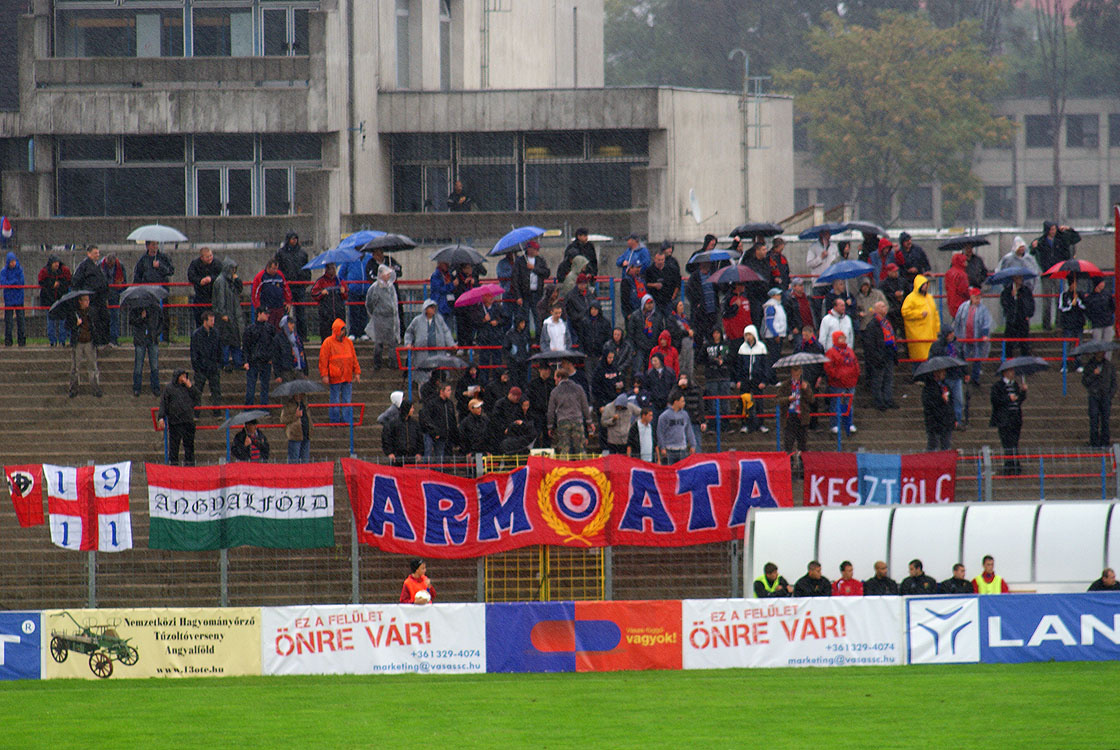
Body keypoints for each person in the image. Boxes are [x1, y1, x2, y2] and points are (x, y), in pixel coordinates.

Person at [1031, 222, 1081, 329]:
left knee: (1059, 299)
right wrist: (1034, 246)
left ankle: (1059, 323)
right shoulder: (1042, 241)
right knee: (1047, 300)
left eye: (1054, 229)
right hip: (1047, 274)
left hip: (1059, 273)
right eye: (1051, 230)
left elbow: (1076, 238)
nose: (1053, 232)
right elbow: (1033, 251)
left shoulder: (1061, 239)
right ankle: (1046, 325)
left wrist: (1069, 229)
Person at [319, 318, 361, 424]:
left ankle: (346, 420)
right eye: (342, 330)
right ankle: (335, 421)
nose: (343, 332)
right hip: (335, 376)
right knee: (335, 400)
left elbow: (353, 358)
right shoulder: (328, 343)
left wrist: (357, 372)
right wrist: (324, 375)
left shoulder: (348, 342)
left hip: (347, 376)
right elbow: (323, 360)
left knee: (347, 400)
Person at [403, 299, 455, 378]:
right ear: (425, 309)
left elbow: (446, 332)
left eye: (434, 307)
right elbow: (409, 332)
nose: (433, 309)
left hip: (438, 352)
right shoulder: (417, 320)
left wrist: (451, 344)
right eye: (431, 307)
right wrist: (408, 343)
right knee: (423, 374)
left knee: (439, 373)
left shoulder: (439, 319)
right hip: (422, 353)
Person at [157, 370, 200, 465]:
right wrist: (161, 417)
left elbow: (197, 397)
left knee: (189, 447)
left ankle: (189, 467)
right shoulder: (169, 388)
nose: (184, 377)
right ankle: (174, 467)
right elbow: (163, 404)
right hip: (175, 422)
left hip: (188, 421)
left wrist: (191, 387)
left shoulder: (188, 387)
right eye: (182, 375)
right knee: (174, 448)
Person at [548, 364, 593, 455]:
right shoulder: (578, 388)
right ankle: (583, 467)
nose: (554, 381)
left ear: (559, 378)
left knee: (564, 449)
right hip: (577, 420)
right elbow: (585, 406)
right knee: (580, 449)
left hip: (563, 422)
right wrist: (589, 422)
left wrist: (550, 426)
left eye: (555, 378)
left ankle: (564, 468)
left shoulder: (555, 391)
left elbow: (551, 411)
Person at [134, 241, 174, 341]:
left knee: (163, 313)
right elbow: (138, 275)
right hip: (148, 291)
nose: (155, 247)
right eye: (153, 245)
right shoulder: (143, 259)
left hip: (161, 290)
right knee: (149, 314)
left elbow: (171, 271)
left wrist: (160, 266)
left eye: (156, 244)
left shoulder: (163, 257)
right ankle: (151, 335)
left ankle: (165, 337)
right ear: (147, 246)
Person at [862, 300, 899, 411]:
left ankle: (888, 399)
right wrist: (876, 357)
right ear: (876, 310)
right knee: (878, 380)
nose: (885, 308)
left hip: (889, 353)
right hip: (879, 355)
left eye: (885, 306)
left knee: (889, 378)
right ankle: (878, 401)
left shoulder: (886, 322)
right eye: (882, 306)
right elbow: (870, 344)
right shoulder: (873, 325)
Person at [990, 366, 1027, 475]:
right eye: (1011, 371)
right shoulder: (998, 386)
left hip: (1015, 418)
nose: (1013, 373)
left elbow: (1018, 401)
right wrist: (1008, 399)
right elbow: (995, 400)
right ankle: (1009, 465)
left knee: (1014, 443)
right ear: (1005, 372)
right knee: (1007, 443)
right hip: (1004, 419)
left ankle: (1014, 465)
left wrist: (1023, 392)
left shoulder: (1015, 385)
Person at [364, 264, 401, 371]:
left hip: (391, 318)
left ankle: (393, 362)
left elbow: (394, 302)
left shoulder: (391, 287)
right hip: (379, 318)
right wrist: (375, 314)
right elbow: (369, 303)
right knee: (379, 342)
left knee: (392, 342)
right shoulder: (374, 288)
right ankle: (377, 363)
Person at [953, 287, 992, 387]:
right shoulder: (963, 307)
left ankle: (975, 378)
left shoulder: (983, 310)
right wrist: (956, 335)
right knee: (962, 357)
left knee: (977, 358)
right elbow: (957, 321)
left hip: (977, 338)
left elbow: (986, 323)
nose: (978, 300)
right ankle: (963, 376)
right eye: (976, 298)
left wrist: (984, 335)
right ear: (971, 297)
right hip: (964, 337)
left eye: (979, 298)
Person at [929, 327, 966, 429]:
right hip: (945, 377)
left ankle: (957, 421)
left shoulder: (957, 345)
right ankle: (948, 421)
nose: (952, 335)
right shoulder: (937, 346)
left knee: (959, 400)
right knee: (947, 401)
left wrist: (965, 372)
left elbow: (962, 358)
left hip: (957, 376)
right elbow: (932, 359)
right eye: (950, 333)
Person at [275, 232, 310, 340]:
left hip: (299, 286)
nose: (294, 241)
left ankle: (302, 336)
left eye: (296, 238)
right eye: (292, 238)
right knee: (285, 312)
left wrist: (304, 279)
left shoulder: (302, 253)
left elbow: (307, 269)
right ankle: (284, 335)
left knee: (301, 313)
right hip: (287, 287)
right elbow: (278, 269)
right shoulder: (281, 253)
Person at [510, 241, 550, 335]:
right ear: (529, 249)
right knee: (525, 317)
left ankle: (538, 338)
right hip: (525, 294)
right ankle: (526, 338)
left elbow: (546, 273)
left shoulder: (540, 260)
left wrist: (534, 269)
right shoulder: (520, 261)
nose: (537, 251)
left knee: (538, 316)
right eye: (535, 249)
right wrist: (518, 296)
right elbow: (515, 279)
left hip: (537, 293)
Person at [212, 258, 245, 371]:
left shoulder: (231, 281)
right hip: (225, 317)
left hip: (233, 316)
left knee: (235, 341)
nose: (233, 272)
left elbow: (239, 290)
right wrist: (223, 313)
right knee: (225, 341)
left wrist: (237, 279)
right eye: (232, 269)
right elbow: (220, 299)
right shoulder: (220, 281)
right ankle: (224, 363)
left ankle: (237, 362)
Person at [824, 331, 859, 435]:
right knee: (836, 404)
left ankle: (849, 423)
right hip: (838, 383)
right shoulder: (831, 352)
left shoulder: (849, 351)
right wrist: (838, 376)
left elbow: (855, 363)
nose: (843, 340)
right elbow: (829, 367)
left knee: (849, 404)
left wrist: (856, 374)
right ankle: (834, 424)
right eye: (840, 338)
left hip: (851, 382)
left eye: (844, 338)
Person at [67, 294, 102, 398]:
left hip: (89, 341)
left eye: (88, 300)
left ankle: (95, 388)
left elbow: (96, 325)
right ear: (80, 301)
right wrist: (76, 324)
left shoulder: (92, 312)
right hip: (78, 342)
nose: (87, 302)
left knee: (92, 366)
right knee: (75, 367)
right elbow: (68, 326)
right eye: (85, 300)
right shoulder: (74, 313)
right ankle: (73, 388)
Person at [777, 364, 814, 458]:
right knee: (788, 445)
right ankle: (789, 464)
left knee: (803, 445)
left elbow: (812, 400)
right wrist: (788, 399)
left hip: (802, 417)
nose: (796, 377)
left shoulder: (805, 384)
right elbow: (778, 400)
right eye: (794, 374)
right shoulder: (785, 385)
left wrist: (806, 390)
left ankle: (802, 465)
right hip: (789, 417)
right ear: (791, 373)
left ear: (801, 373)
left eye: (798, 375)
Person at [901, 274, 940, 362]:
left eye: (926, 284)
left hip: (931, 333)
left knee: (930, 359)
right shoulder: (910, 298)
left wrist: (937, 328)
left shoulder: (929, 298)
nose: (925, 286)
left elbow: (935, 313)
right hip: (918, 335)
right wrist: (919, 314)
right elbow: (905, 312)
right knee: (920, 360)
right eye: (923, 284)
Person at [243, 308, 278, 406]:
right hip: (254, 361)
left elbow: (273, 345)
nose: (268, 315)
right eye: (265, 313)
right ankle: (250, 407)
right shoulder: (250, 329)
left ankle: (262, 407)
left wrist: (271, 358)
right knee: (252, 388)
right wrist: (246, 361)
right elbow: (246, 346)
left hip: (264, 361)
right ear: (259, 314)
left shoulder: (269, 329)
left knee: (264, 387)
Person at [128, 297, 161, 398]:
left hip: (152, 338)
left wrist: (156, 333)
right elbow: (131, 321)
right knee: (138, 365)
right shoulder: (135, 308)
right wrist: (141, 318)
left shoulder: (156, 308)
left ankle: (155, 387)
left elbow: (161, 322)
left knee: (154, 365)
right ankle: (137, 388)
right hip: (140, 338)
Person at [1082, 349, 1115, 447]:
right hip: (1094, 396)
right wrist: (1093, 374)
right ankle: (1094, 442)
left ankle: (1105, 441)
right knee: (1094, 419)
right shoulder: (1089, 365)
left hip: (1105, 396)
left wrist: (1110, 394)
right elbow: (1085, 381)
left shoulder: (1109, 365)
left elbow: (1113, 382)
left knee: (1105, 420)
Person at [190, 311, 223, 408]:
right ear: (205, 321)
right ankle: (196, 412)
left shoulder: (216, 333)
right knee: (198, 391)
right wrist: (197, 367)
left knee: (216, 391)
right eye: (211, 320)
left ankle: (217, 411)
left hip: (213, 367)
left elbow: (219, 350)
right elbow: (194, 352)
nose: (213, 322)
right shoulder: (197, 335)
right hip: (201, 368)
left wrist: (218, 364)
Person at [421, 381, 460, 461]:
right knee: (428, 456)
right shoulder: (432, 403)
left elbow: (452, 419)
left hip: (443, 435)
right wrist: (434, 431)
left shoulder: (449, 404)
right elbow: (427, 419)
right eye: (448, 390)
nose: (450, 392)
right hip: (432, 434)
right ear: (441, 391)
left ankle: (439, 471)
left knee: (440, 458)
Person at [656, 388, 697, 464]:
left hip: (682, 449)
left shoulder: (685, 415)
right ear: (676, 402)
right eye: (682, 401)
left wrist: (692, 444)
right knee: (669, 473)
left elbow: (689, 431)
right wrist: (662, 447)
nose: (684, 403)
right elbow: (660, 433)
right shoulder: (664, 416)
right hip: (669, 449)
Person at [39, 255, 71, 346]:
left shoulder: (64, 270)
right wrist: (52, 284)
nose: (57, 264)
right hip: (49, 300)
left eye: (57, 262)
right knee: (51, 322)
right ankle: (52, 341)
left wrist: (59, 284)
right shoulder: (45, 271)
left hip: (61, 300)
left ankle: (62, 340)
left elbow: (68, 282)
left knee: (62, 322)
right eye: (55, 263)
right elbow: (42, 283)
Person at [311, 263, 347, 342]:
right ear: (327, 270)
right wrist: (321, 293)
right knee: (325, 334)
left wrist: (343, 292)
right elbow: (313, 294)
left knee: (340, 333)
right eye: (331, 268)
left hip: (339, 311)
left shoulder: (340, 281)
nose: (333, 271)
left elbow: (347, 295)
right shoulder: (321, 281)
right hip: (326, 312)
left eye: (334, 268)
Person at [627, 295, 663, 376]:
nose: (650, 305)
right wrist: (633, 347)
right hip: (639, 347)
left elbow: (660, 332)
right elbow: (630, 333)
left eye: (651, 303)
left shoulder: (658, 316)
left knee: (651, 370)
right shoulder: (635, 315)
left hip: (652, 346)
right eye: (647, 303)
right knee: (637, 369)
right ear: (643, 304)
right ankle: (636, 386)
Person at [251, 258, 291, 330]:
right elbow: (255, 293)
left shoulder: (280, 275)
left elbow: (286, 288)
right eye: (273, 269)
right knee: (268, 328)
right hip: (267, 307)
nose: (275, 271)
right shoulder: (260, 276)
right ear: (268, 267)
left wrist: (288, 302)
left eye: (276, 269)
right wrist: (258, 307)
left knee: (279, 327)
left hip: (279, 306)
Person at [1000, 274, 1034, 357]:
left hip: (1022, 318)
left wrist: (1028, 314)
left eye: (1021, 278)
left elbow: (1030, 303)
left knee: (1024, 342)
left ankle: (1025, 360)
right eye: (1018, 278)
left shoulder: (1026, 290)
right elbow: (1005, 304)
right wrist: (1012, 298)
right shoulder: (1007, 291)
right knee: (1009, 342)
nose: (1020, 280)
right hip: (1011, 319)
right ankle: (1007, 361)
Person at [187, 246, 221, 329]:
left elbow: (222, 275)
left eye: (211, 256)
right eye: (207, 257)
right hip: (200, 296)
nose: (210, 258)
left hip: (214, 296)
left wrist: (211, 278)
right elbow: (191, 276)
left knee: (215, 321)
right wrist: (200, 281)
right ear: (201, 257)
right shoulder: (195, 264)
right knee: (200, 319)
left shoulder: (217, 263)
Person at [473, 289, 506, 373]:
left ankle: (497, 379)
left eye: (491, 295)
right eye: (488, 296)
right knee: (484, 362)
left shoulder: (498, 307)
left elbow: (505, 319)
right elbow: (474, 323)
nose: (491, 298)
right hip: (484, 339)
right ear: (483, 297)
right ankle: (484, 382)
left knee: (497, 361)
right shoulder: (478, 308)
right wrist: (484, 320)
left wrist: (497, 322)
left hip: (496, 337)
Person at [922, 368, 955, 451]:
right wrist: (941, 399)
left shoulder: (945, 386)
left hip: (946, 421)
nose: (944, 373)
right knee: (933, 445)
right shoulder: (929, 387)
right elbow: (929, 404)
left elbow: (951, 403)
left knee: (946, 446)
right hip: (934, 421)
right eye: (942, 371)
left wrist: (953, 418)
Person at [382, 399, 424, 465]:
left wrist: (419, 453)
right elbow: (387, 438)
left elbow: (420, 439)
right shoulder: (393, 423)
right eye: (412, 408)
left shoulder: (415, 424)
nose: (413, 410)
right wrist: (389, 453)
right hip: (397, 457)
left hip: (411, 457)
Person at [1058, 275, 1087, 370]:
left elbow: (1085, 307)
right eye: (1072, 284)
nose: (1074, 286)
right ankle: (1064, 364)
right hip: (1068, 324)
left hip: (1078, 323)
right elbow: (1062, 308)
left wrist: (1078, 301)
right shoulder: (1064, 295)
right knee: (1067, 344)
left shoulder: (1081, 294)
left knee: (1079, 343)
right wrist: (1071, 304)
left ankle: (1078, 363)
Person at [99, 251, 126, 345]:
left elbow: (124, 281)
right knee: (104, 317)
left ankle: (114, 339)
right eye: (108, 264)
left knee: (115, 317)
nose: (110, 266)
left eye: (112, 264)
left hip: (115, 294)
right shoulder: (100, 266)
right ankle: (104, 339)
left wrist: (121, 288)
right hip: (103, 295)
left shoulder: (120, 266)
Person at [1085, 278, 1116, 360]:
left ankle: (1106, 363)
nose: (1103, 284)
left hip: (1107, 323)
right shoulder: (1091, 297)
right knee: (1097, 345)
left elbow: (1113, 307)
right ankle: (1097, 361)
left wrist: (1108, 315)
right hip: (1097, 324)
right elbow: (1087, 310)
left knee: (1108, 344)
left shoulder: (1107, 295)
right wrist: (1093, 318)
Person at [1, 251, 26, 347]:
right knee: (9, 321)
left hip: (19, 299)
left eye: (14, 261)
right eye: (11, 261)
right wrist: (13, 282)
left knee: (21, 320)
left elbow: (21, 282)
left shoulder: (19, 270)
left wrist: (10, 283)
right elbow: (3, 283)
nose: (13, 263)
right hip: (9, 300)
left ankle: (22, 340)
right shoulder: (4, 271)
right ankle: (8, 340)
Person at [806, 229, 838, 302]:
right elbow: (809, 264)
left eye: (829, 234)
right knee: (817, 305)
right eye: (826, 234)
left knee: (831, 303)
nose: (828, 236)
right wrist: (820, 258)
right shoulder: (813, 247)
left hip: (831, 282)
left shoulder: (834, 246)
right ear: (821, 235)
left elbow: (837, 260)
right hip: (818, 283)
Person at [644, 250, 679, 314]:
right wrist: (654, 285)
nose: (660, 262)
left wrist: (673, 296)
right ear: (655, 259)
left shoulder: (671, 269)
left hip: (668, 300)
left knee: (669, 320)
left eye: (662, 260)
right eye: (659, 260)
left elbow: (677, 283)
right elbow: (646, 284)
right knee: (657, 320)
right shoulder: (649, 270)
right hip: (655, 300)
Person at [281, 392, 311, 463]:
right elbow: (283, 419)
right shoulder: (288, 405)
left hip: (306, 434)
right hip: (295, 436)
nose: (299, 396)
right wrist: (295, 415)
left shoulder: (305, 404)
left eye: (301, 394)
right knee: (293, 461)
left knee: (305, 462)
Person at [945, 252, 969, 318]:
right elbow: (964, 290)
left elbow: (946, 287)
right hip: (961, 303)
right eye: (964, 261)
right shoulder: (961, 274)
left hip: (951, 302)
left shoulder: (949, 273)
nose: (966, 263)